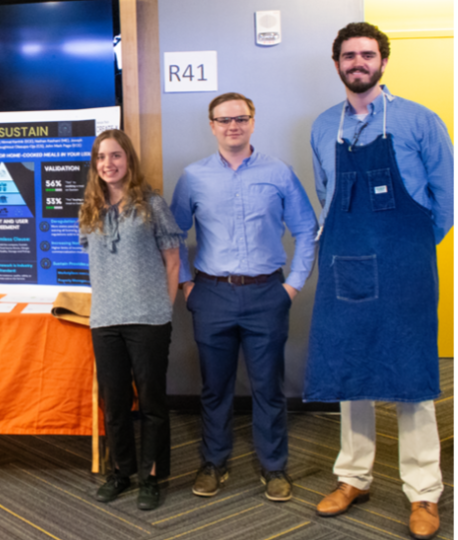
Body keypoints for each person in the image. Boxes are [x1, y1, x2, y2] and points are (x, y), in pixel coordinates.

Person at [306, 23, 454, 540]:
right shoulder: (324, 126)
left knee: (412, 374)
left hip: (405, 263)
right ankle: (354, 478)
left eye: (367, 54)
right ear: (338, 64)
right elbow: (326, 193)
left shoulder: (419, 120)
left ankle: (424, 491)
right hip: (346, 259)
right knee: (350, 370)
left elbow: (447, 196)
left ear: (383, 62)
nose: (358, 63)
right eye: (349, 55)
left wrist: (412, 246)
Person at [171, 93, 318, 502]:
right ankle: (213, 462)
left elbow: (307, 229)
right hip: (211, 295)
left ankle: (274, 467)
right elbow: (173, 234)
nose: (232, 126)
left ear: (253, 122)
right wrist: (186, 285)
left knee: (268, 387)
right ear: (212, 126)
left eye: (241, 118)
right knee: (214, 388)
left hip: (267, 294)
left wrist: (293, 285)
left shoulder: (279, 172)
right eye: (224, 120)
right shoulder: (193, 176)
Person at [78, 129, 182, 511]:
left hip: (148, 319)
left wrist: (163, 310)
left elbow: (173, 261)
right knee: (115, 404)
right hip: (105, 320)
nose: (108, 164)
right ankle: (121, 472)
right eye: (101, 157)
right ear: (95, 165)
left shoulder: (152, 204)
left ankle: (151, 477)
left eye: (116, 155)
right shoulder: (89, 208)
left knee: (152, 403)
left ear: (129, 160)